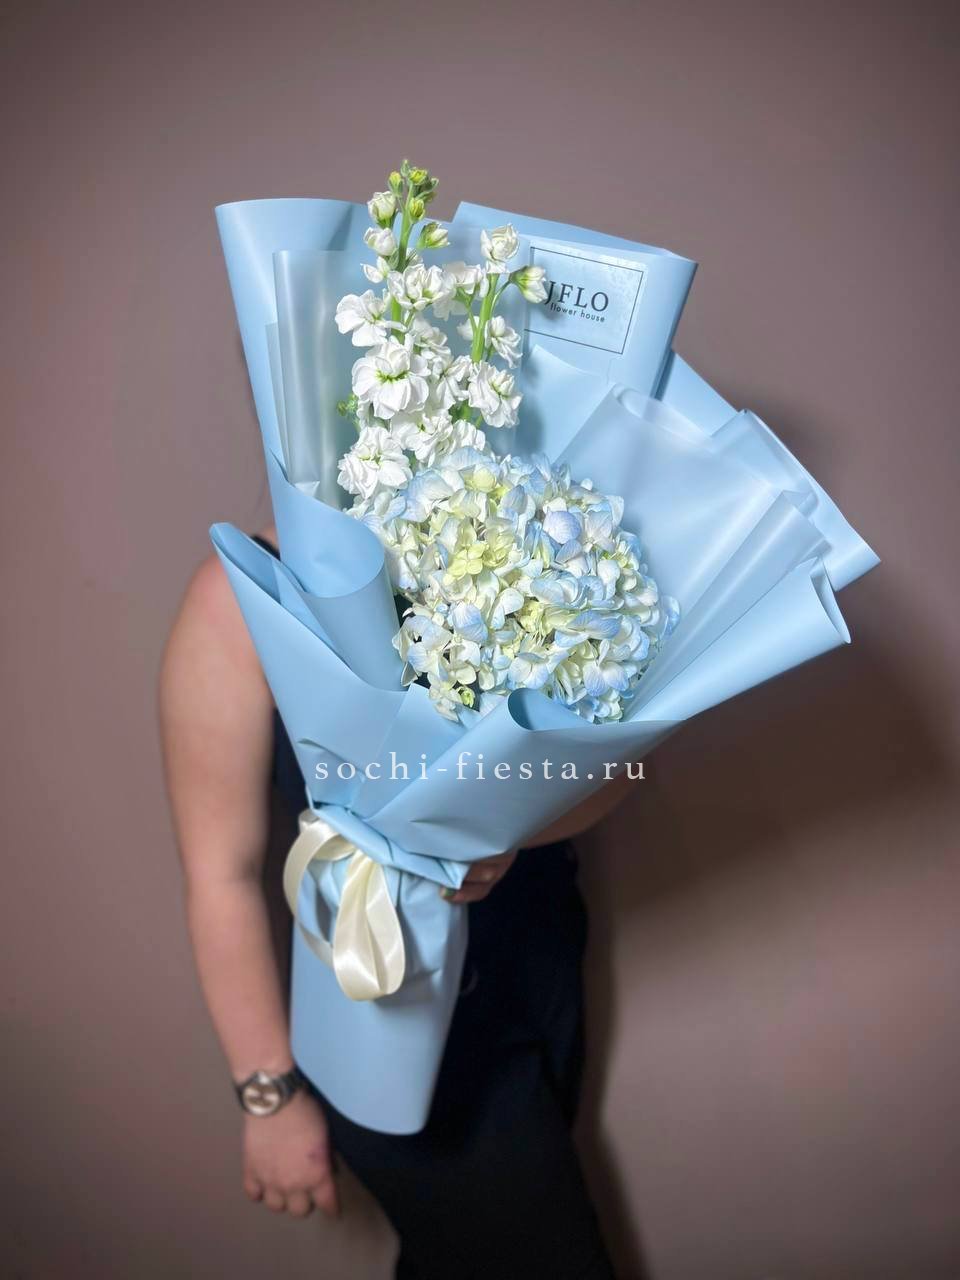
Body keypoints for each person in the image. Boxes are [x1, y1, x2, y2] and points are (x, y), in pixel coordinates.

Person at [159, 528, 637, 1279]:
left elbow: (616, 773)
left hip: (537, 967)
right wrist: (269, 1096)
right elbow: (221, 871)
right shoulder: (240, 592)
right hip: (387, 1015)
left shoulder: (522, 539)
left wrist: (510, 831)